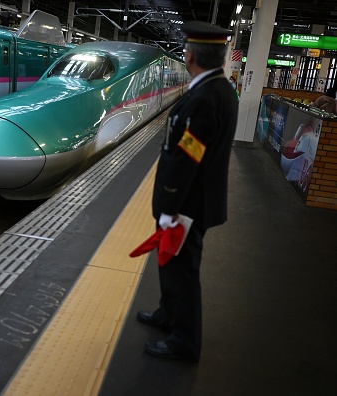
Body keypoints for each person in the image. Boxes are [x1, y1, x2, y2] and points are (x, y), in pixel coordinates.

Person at [136, 20, 239, 362]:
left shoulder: (206, 97)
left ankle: (185, 339)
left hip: (188, 204)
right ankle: (169, 314)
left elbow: (188, 157)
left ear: (191, 54)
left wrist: (170, 204)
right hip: (192, 200)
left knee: (182, 270)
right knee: (172, 264)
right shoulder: (217, 89)